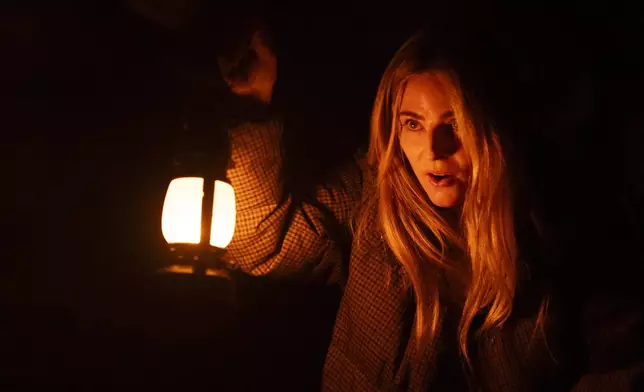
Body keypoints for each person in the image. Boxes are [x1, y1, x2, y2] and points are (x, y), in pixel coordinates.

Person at [220, 25, 644, 392]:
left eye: (454, 123)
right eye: (412, 124)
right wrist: (253, 102)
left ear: (490, 124)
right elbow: (259, 238)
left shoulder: (557, 231)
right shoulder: (374, 201)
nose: (434, 151)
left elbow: (620, 365)